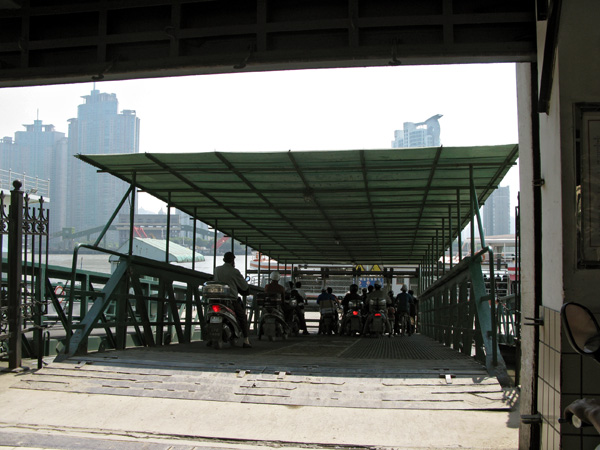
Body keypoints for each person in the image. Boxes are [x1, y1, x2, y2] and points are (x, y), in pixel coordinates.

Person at [213, 251, 252, 348]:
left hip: (216, 299)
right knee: (242, 317)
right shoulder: (235, 271)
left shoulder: (217, 270)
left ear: (223, 259)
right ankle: (246, 340)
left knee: (210, 314)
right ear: (233, 260)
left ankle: (210, 338)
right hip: (230, 300)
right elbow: (244, 287)